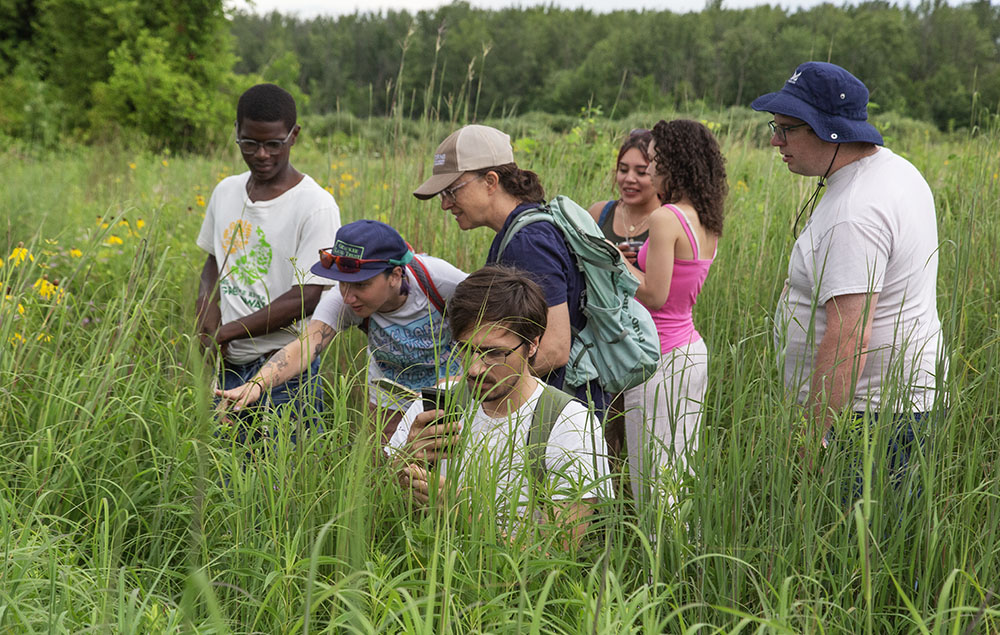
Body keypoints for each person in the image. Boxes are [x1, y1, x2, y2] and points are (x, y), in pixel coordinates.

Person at [751, 62, 945, 479]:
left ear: (828, 130)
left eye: (786, 129)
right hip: (888, 409)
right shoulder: (892, 169)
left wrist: (812, 434)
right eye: (775, 126)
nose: (774, 140)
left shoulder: (854, 212)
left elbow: (849, 335)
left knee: (853, 540)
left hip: (868, 417)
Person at [388, 266, 610, 543]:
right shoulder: (437, 404)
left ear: (532, 344)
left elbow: (558, 554)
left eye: (494, 353)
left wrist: (458, 510)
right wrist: (405, 461)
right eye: (465, 349)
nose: (475, 368)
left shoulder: (569, 424)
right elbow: (387, 508)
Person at [412, 124, 609, 415]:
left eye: (451, 191)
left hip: (558, 417)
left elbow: (554, 347)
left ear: (491, 181)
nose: (445, 204)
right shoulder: (519, 230)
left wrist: (472, 383)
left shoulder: (528, 242)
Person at [216, 219, 467, 443]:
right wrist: (255, 385)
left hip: (448, 390)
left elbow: (493, 318)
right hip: (389, 395)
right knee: (387, 470)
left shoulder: (441, 280)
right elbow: (304, 347)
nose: (348, 297)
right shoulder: (342, 299)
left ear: (395, 274)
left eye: (361, 285)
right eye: (343, 283)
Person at [196, 83, 340, 436]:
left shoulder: (316, 205)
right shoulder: (225, 191)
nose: (261, 154)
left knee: (283, 479)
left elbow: (307, 296)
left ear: (294, 136)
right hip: (229, 365)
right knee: (228, 472)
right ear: (237, 134)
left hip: (285, 370)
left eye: (273, 143)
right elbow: (214, 262)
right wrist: (205, 311)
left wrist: (227, 331)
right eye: (249, 143)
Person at [618, 119, 726, 505]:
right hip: (690, 354)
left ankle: (659, 566)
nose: (651, 171)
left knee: (651, 483)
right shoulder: (705, 218)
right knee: (677, 476)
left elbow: (654, 294)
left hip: (659, 361)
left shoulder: (666, 218)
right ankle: (683, 562)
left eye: (652, 163)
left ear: (671, 164)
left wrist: (614, 261)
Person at [588, 128, 659, 266]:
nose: (629, 179)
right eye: (623, 170)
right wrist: (604, 260)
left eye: (641, 172)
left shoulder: (669, 221)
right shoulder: (598, 213)